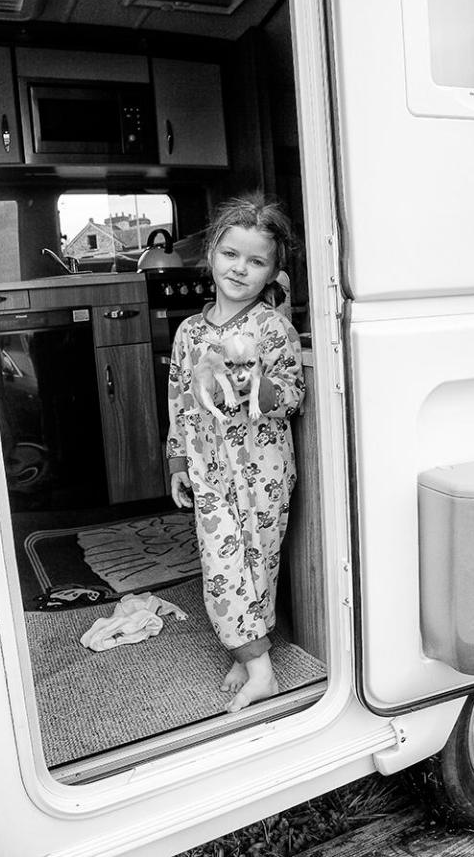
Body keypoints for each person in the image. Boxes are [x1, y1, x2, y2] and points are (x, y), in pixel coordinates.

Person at [166, 192, 305, 713]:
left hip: (262, 471)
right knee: (223, 565)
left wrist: (250, 382)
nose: (240, 269)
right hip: (208, 469)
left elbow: (290, 396)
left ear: (272, 273)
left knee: (257, 563)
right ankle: (259, 664)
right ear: (211, 255)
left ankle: (251, 659)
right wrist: (177, 460)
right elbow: (180, 400)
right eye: (231, 254)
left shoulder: (272, 328)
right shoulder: (188, 333)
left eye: (256, 261)